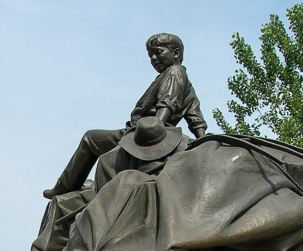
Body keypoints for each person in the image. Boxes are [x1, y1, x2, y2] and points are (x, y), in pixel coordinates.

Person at [43, 33, 207, 199]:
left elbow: (167, 103)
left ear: (176, 53)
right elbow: (194, 114)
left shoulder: (174, 72)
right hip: (145, 131)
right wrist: (201, 136)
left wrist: (153, 129)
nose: (154, 58)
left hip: (143, 134)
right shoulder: (182, 81)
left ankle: (65, 186)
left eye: (158, 52)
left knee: (90, 138)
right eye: (150, 55)